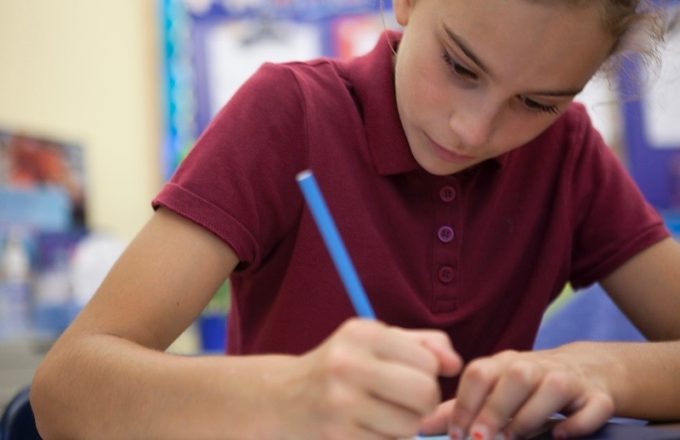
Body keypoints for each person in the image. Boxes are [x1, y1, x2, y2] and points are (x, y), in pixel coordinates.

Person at [30, 0, 680, 438]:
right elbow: (65, 389)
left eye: (537, 101)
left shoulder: (565, 149)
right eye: (459, 65)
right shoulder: (287, 113)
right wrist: (288, 396)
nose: (473, 129)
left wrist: (603, 370)